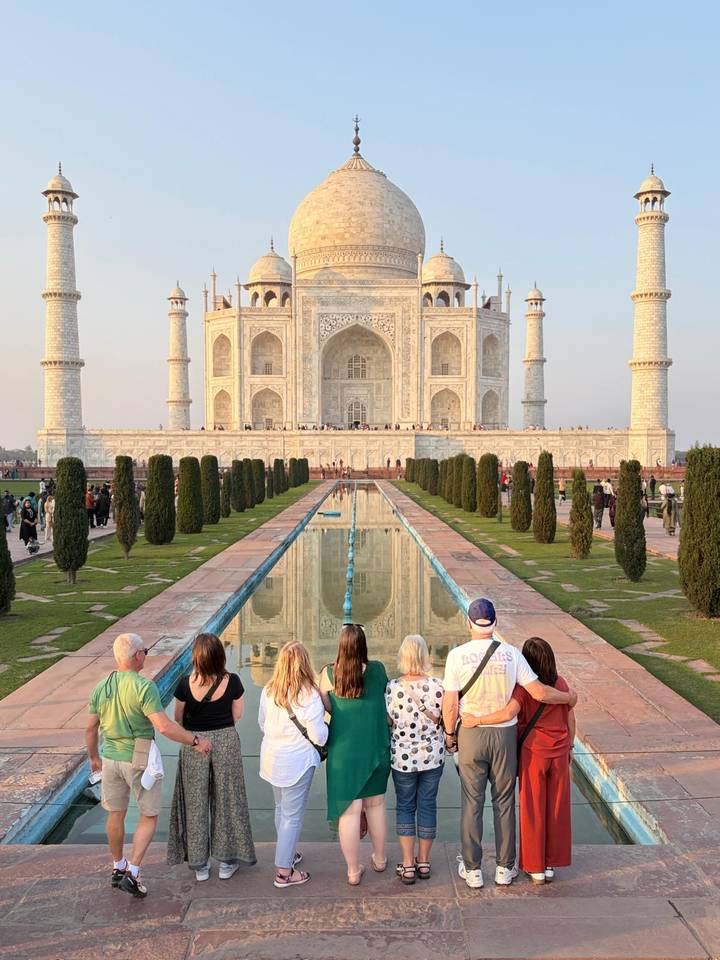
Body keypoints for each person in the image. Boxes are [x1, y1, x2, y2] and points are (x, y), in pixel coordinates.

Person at [441, 598, 577, 890]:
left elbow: (450, 703)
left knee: (471, 802)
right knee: (504, 802)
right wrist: (569, 698)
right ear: (494, 623)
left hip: (472, 732)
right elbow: (539, 692)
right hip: (504, 736)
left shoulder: (457, 656)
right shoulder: (512, 654)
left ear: (469, 623)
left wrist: (450, 734)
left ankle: (473, 869)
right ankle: (505, 868)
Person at [85, 633, 212, 899]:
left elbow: (90, 728)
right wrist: (195, 740)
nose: (146, 654)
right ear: (136, 656)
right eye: (145, 650)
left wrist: (94, 756)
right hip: (139, 756)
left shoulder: (102, 686)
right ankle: (133, 872)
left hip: (110, 756)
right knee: (148, 814)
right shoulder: (144, 687)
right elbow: (164, 727)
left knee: (115, 813)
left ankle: (117, 866)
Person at [466, 636, 574, 884]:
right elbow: (571, 720)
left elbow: (508, 713)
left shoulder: (524, 688)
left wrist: (477, 720)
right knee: (556, 809)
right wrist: (570, 747)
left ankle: (535, 866)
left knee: (533, 809)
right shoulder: (561, 685)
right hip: (559, 752)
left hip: (534, 754)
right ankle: (549, 864)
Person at [167, 633, 255, 881]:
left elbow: (177, 718)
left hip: (195, 744)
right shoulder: (234, 681)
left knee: (196, 803)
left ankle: (200, 866)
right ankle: (227, 862)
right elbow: (237, 715)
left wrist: (195, 734)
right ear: (220, 655)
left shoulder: (185, 684)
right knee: (228, 801)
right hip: (225, 741)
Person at [319, 624, 390, 885]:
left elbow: (327, 708)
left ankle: (352, 871)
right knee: (376, 806)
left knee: (349, 813)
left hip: (343, 753)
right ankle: (380, 859)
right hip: (375, 747)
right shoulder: (378, 670)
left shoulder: (328, 674)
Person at [259, 640, 328, 888]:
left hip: (272, 758)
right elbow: (318, 736)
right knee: (292, 816)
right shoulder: (309, 694)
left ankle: (287, 854)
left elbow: (262, 723)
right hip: (297, 762)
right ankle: (284, 872)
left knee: (281, 809)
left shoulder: (269, 690)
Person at [385, 635, 444, 885]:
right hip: (432, 757)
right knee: (428, 806)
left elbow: (389, 721)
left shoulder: (393, 687)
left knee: (405, 807)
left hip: (403, 759)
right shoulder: (439, 686)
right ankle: (423, 860)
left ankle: (408, 865)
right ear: (424, 655)